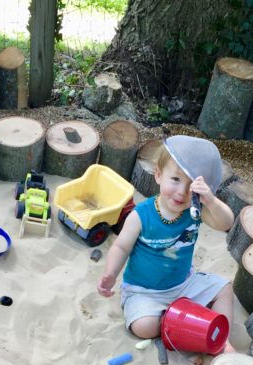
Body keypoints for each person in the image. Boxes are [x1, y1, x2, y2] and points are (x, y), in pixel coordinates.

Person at [97, 135, 236, 352]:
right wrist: (111, 273)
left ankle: (221, 337)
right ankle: (184, 325)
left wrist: (211, 200)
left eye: (192, 186)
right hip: (144, 291)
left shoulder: (195, 211)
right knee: (144, 326)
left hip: (183, 285)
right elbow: (121, 246)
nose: (182, 191)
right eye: (176, 180)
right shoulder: (141, 214)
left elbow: (226, 222)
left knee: (225, 289)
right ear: (159, 175)